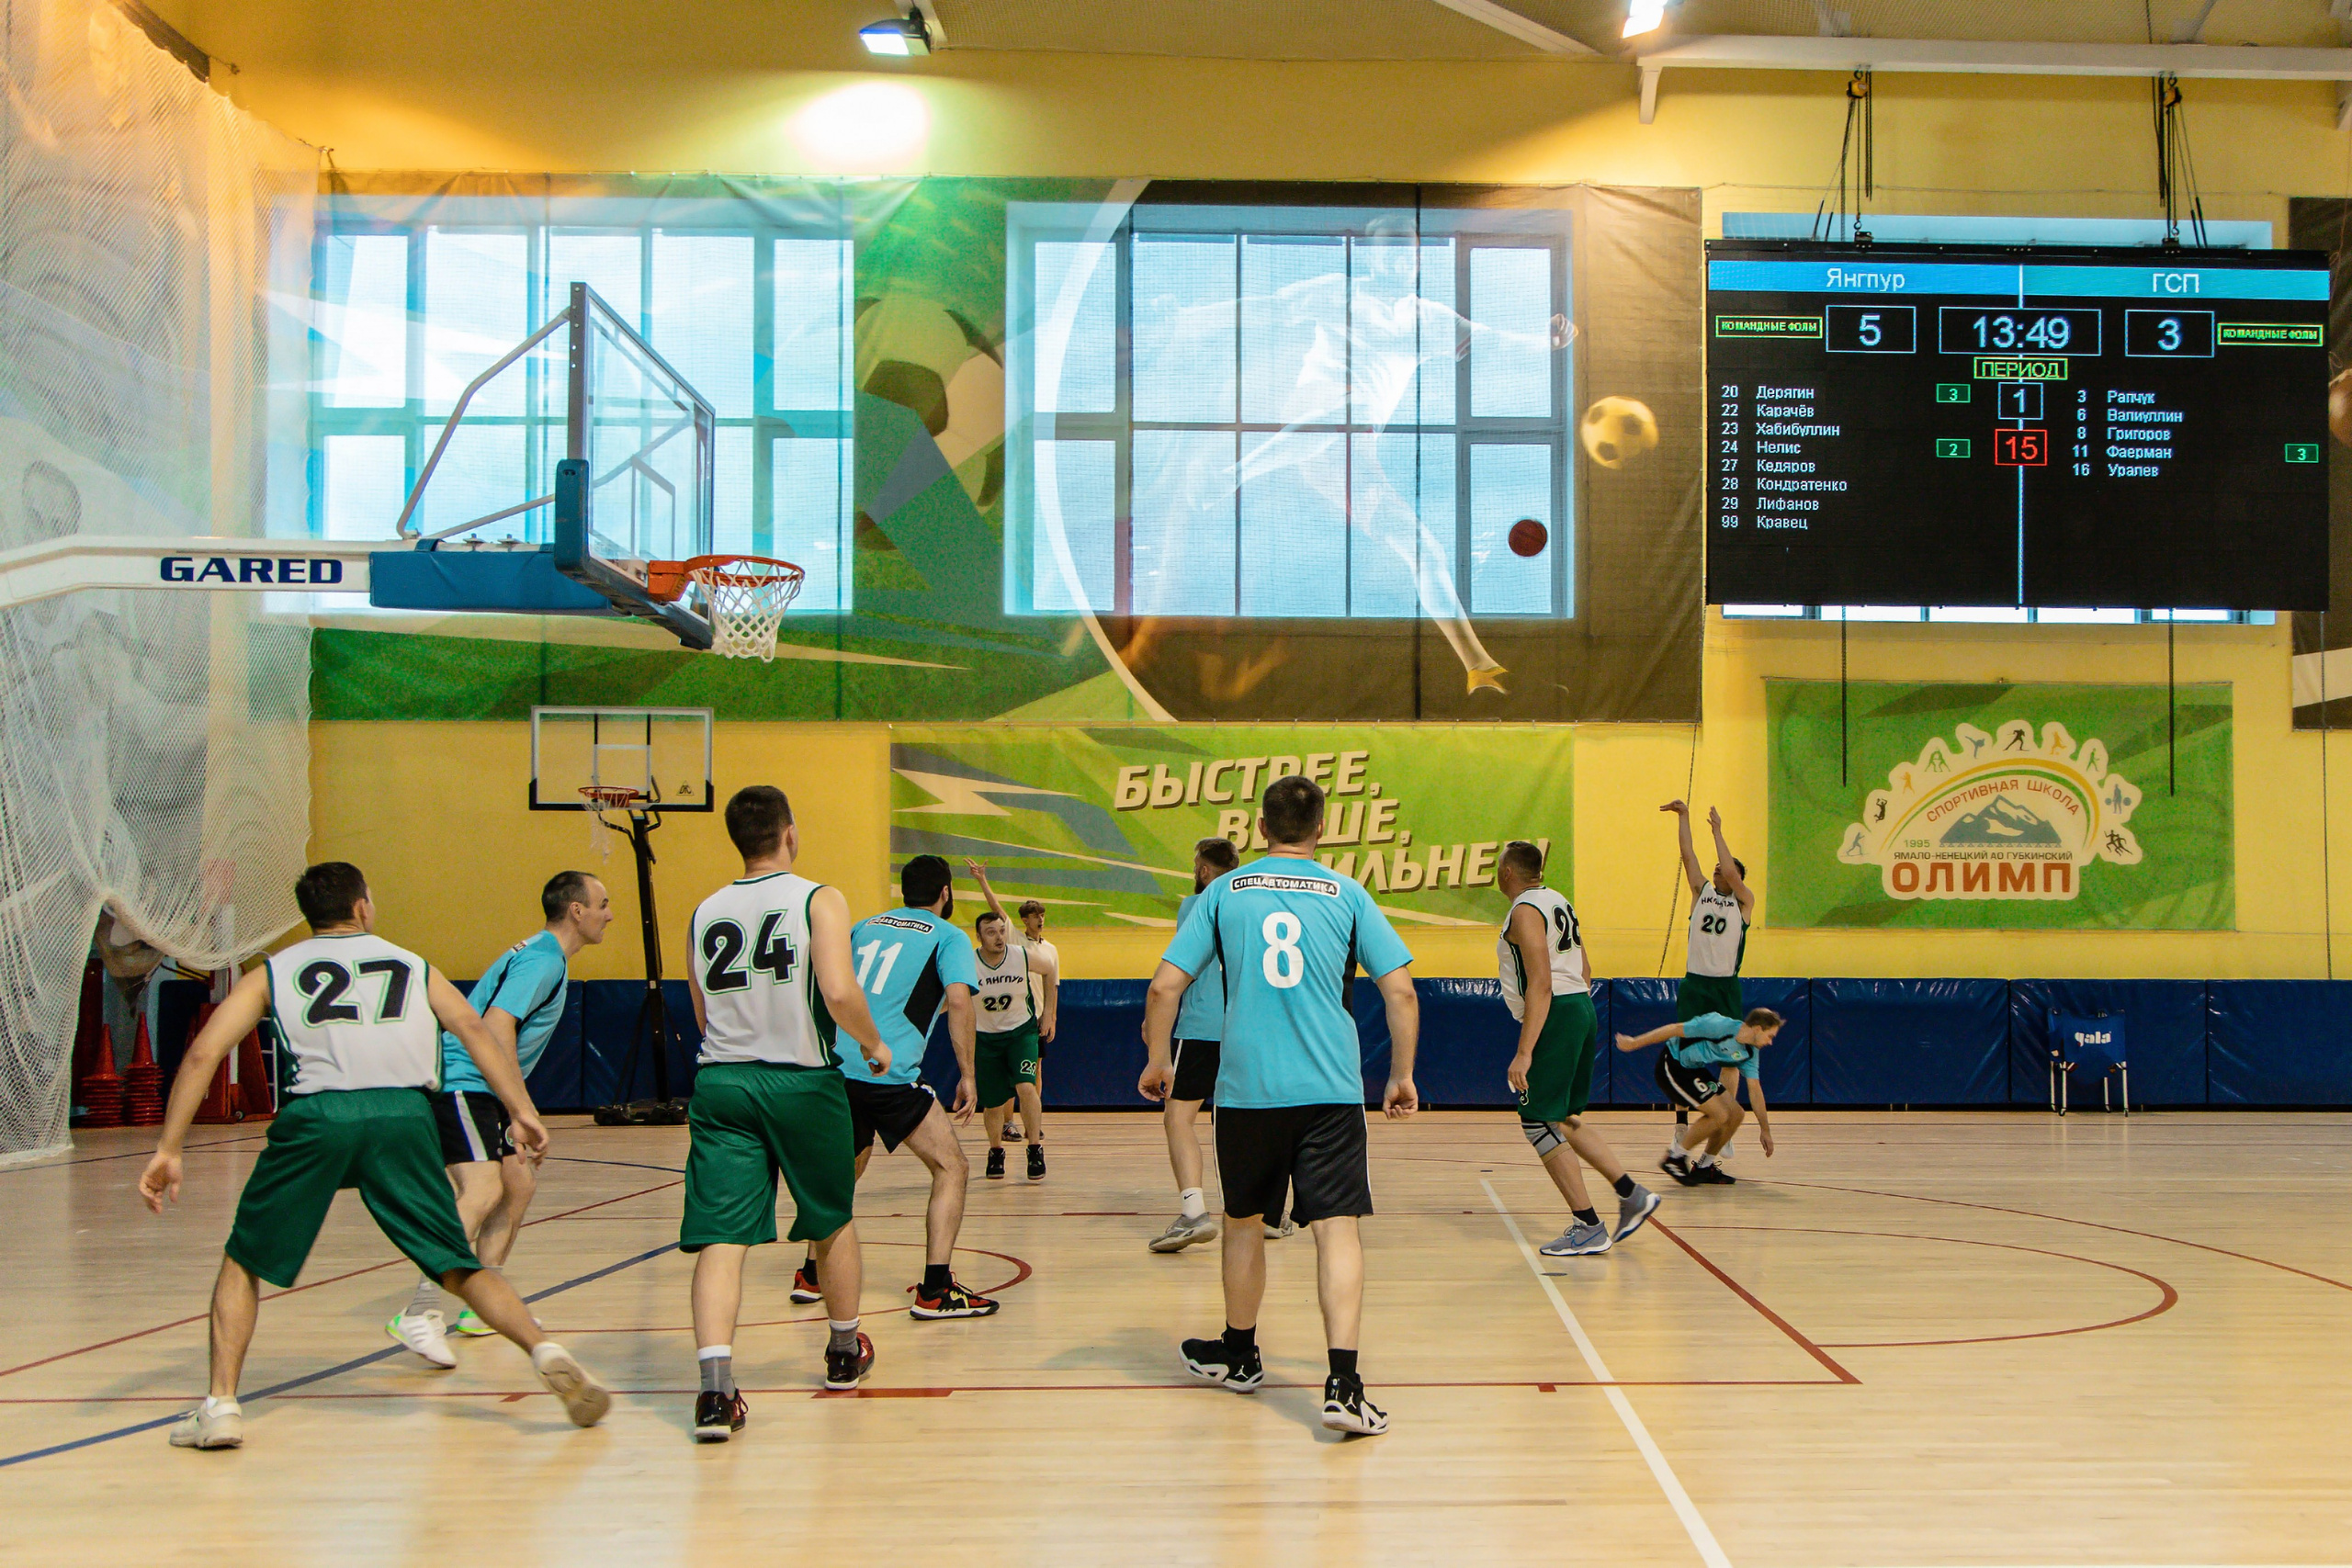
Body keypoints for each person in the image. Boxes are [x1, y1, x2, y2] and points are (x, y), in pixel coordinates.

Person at [138, 862, 610, 1450]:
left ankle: (222, 1407)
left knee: (243, 1261)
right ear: (363, 907)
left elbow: (205, 1051)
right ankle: (545, 1349)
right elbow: (472, 1027)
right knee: (457, 1263)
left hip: (319, 1118)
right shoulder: (412, 964)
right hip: (403, 1117)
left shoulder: (274, 971)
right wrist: (522, 1110)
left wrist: (169, 1147)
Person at [1140, 774, 1419, 1438]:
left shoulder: (1221, 893)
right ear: (1320, 830)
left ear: (1260, 828)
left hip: (1247, 1091)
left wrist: (1159, 1059)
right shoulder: (1349, 893)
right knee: (1337, 1230)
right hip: (1330, 1090)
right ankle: (1344, 1384)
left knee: (1242, 1223)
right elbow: (1401, 992)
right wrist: (1401, 1074)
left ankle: (1240, 1354)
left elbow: (1163, 986)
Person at [684, 786, 893, 1442]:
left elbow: (701, 1012)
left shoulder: (704, 910)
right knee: (831, 1218)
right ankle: (841, 1350)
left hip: (721, 1082)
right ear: (790, 834)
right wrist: (871, 1040)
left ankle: (716, 1392)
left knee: (722, 1237)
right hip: (800, 1081)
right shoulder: (817, 897)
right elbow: (836, 988)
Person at [388, 869, 613, 1364]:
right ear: (576, 911)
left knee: (518, 1185)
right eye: (602, 904)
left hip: (481, 1087)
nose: (608, 914)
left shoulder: (542, 955)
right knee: (484, 1190)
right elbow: (495, 1028)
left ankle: (479, 1304)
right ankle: (420, 1310)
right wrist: (521, 1110)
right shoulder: (542, 961)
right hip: (464, 1084)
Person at [788, 853, 998, 1321]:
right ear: (946, 894)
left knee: (847, 1166)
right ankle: (936, 1290)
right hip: (887, 1073)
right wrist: (968, 1074)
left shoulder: (864, 926)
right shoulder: (949, 936)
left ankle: (811, 1274)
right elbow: (960, 1002)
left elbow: (831, 985)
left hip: (835, 1067)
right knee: (953, 1167)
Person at [1495, 840, 1661, 1258]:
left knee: (1537, 1121)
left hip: (1556, 1012)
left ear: (1509, 873)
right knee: (1564, 1118)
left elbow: (1542, 981)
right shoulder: (1558, 902)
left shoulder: (1526, 910)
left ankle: (1587, 1225)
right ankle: (1632, 1194)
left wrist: (1526, 1050)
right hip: (1579, 1007)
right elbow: (1585, 969)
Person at [1148, 837, 1241, 1254]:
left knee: (1179, 1118)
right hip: (1248, 1028)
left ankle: (1193, 1212)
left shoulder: (1195, 905)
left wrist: (1154, 1025)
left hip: (1202, 1028)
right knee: (1242, 1122)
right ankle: (1263, 1212)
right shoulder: (1251, 904)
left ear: (1203, 870)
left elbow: (1172, 976)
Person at [1662, 801, 1755, 1153]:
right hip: (1696, 983)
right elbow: (1688, 856)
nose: (1718, 873)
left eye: (1723, 870)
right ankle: (1681, 1126)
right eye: (1715, 869)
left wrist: (1717, 831)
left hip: (1725, 986)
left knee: (1731, 1057)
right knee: (1685, 1055)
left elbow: (1732, 873)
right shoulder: (1701, 893)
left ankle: (1725, 1123)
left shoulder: (1744, 901)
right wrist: (1685, 818)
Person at [1614, 1009, 1782, 1186]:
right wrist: (1634, 1043)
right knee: (1719, 1114)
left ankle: (1704, 1167)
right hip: (1673, 1063)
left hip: (1694, 1069)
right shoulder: (1718, 1025)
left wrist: (1765, 1130)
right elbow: (1674, 1028)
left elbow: (1755, 1090)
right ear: (1757, 1029)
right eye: (1770, 1036)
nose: (1770, 1042)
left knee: (1736, 1114)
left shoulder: (1750, 1051)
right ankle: (1675, 1158)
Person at [967, 862, 1057, 1179]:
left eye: (1001, 931)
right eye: (991, 932)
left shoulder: (1021, 954)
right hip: (987, 1037)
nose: (999, 936)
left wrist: (1049, 1013)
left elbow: (1049, 972)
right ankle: (996, 1151)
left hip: (1021, 1031)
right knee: (992, 1103)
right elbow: (951, 1000)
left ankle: (1035, 1149)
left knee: (1026, 1086)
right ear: (978, 936)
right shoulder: (968, 963)